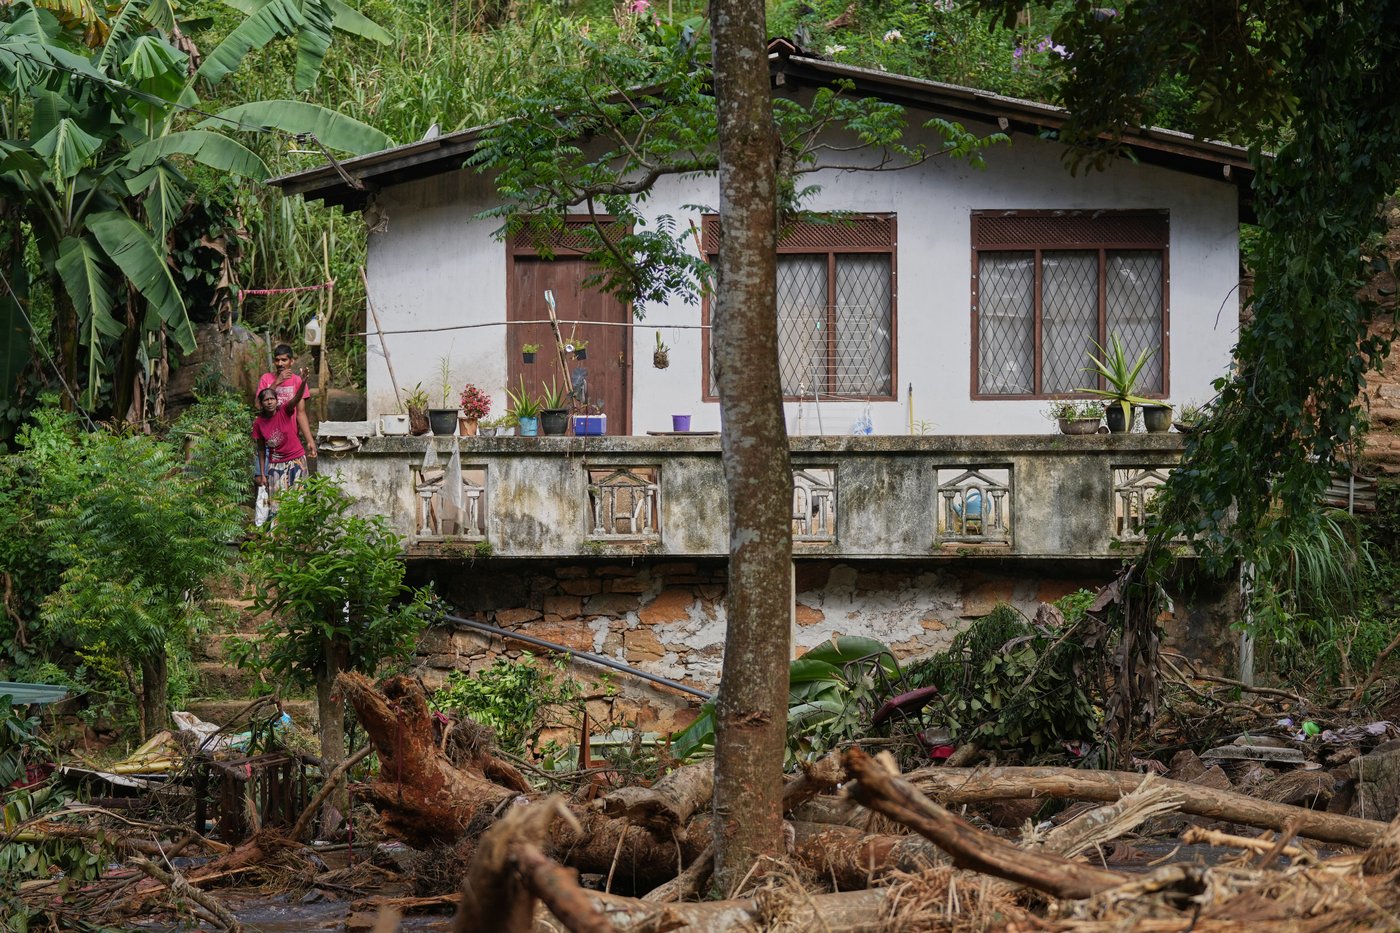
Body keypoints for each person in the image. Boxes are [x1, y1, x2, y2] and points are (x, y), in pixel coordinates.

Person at [253, 380, 309, 524]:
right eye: (266, 400)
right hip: (276, 464)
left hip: (296, 460)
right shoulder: (258, 423)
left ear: (277, 401)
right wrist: (263, 474)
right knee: (276, 502)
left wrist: (304, 381)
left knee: (298, 498)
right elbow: (260, 449)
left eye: (272, 399)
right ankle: (279, 537)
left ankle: (298, 534)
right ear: (261, 403)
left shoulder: (284, 410)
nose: (270, 402)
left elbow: (296, 399)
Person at [256, 344, 317, 461]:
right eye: (277, 360)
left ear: (292, 361)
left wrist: (310, 441)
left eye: (284, 360)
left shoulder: (297, 381)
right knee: (261, 478)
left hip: (289, 439)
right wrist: (277, 382)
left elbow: (301, 413)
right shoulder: (266, 379)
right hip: (268, 439)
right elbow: (258, 405)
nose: (280, 364)